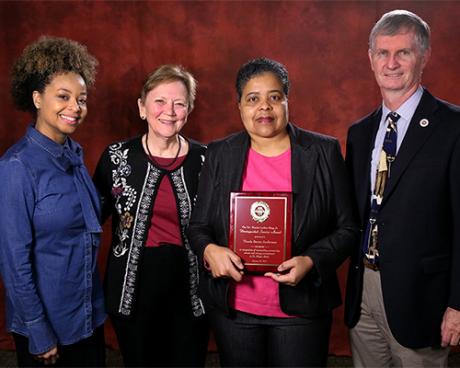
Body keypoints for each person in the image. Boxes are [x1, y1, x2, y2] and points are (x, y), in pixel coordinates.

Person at [187, 57, 359, 367]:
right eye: (253, 99)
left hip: (301, 308)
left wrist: (312, 260)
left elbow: (348, 229)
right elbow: (198, 227)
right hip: (235, 308)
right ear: (240, 106)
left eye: (274, 97)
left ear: (287, 102)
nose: (264, 107)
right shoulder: (219, 154)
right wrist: (209, 249)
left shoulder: (323, 151)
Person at [344, 9, 460, 367]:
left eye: (403, 53)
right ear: (370, 58)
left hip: (423, 297)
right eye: (383, 52)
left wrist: (458, 304)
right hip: (364, 291)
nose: (391, 63)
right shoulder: (360, 133)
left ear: (423, 56)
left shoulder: (453, 128)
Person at [93, 64, 209, 367]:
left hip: (191, 286)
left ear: (188, 110)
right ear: (142, 107)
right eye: (159, 101)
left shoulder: (207, 159)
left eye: (179, 103)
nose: (169, 111)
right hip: (132, 287)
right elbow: (90, 219)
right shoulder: (117, 157)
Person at [0, 36, 106, 367]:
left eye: (82, 99)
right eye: (63, 97)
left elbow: (86, 226)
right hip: (48, 326)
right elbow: (14, 262)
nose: (75, 107)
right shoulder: (17, 166)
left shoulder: (73, 155)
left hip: (88, 316)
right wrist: (38, 330)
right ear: (36, 98)